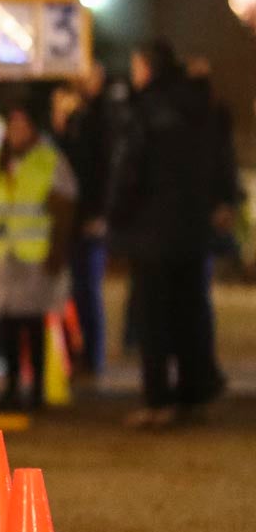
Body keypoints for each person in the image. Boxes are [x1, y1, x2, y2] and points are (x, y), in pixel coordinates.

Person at [110, 41, 231, 428]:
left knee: (153, 319)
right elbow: (220, 155)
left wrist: (118, 216)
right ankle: (196, 392)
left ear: (147, 67)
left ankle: (158, 398)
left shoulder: (145, 109)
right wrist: (220, 201)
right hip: (193, 229)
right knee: (191, 313)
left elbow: (130, 170)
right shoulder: (201, 105)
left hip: (153, 229)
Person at [0, 100, 77, 412]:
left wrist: (57, 252)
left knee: (34, 324)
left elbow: (65, 211)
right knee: (7, 325)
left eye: (22, 126)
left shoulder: (49, 161)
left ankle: (36, 389)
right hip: (1, 257)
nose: (16, 133)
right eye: (12, 126)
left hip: (34, 257)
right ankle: (12, 386)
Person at [52, 65, 114, 377]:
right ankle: (78, 352)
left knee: (87, 288)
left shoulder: (104, 116)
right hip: (71, 219)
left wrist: (100, 214)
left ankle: (92, 354)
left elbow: (102, 169)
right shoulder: (79, 119)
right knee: (69, 290)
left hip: (89, 219)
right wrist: (61, 126)